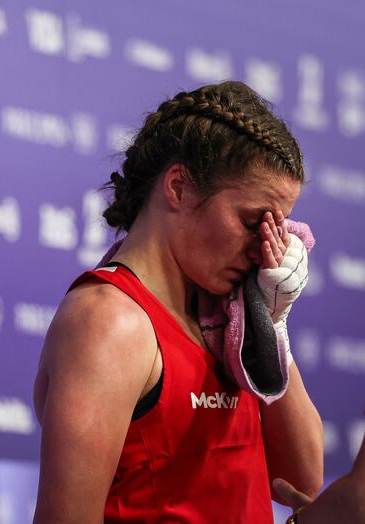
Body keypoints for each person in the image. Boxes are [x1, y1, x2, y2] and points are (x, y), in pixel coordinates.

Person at [32, 81, 324, 523]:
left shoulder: (233, 316)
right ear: (179, 187)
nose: (266, 248)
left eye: (278, 227)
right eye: (252, 222)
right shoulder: (109, 322)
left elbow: (301, 482)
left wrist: (272, 322)